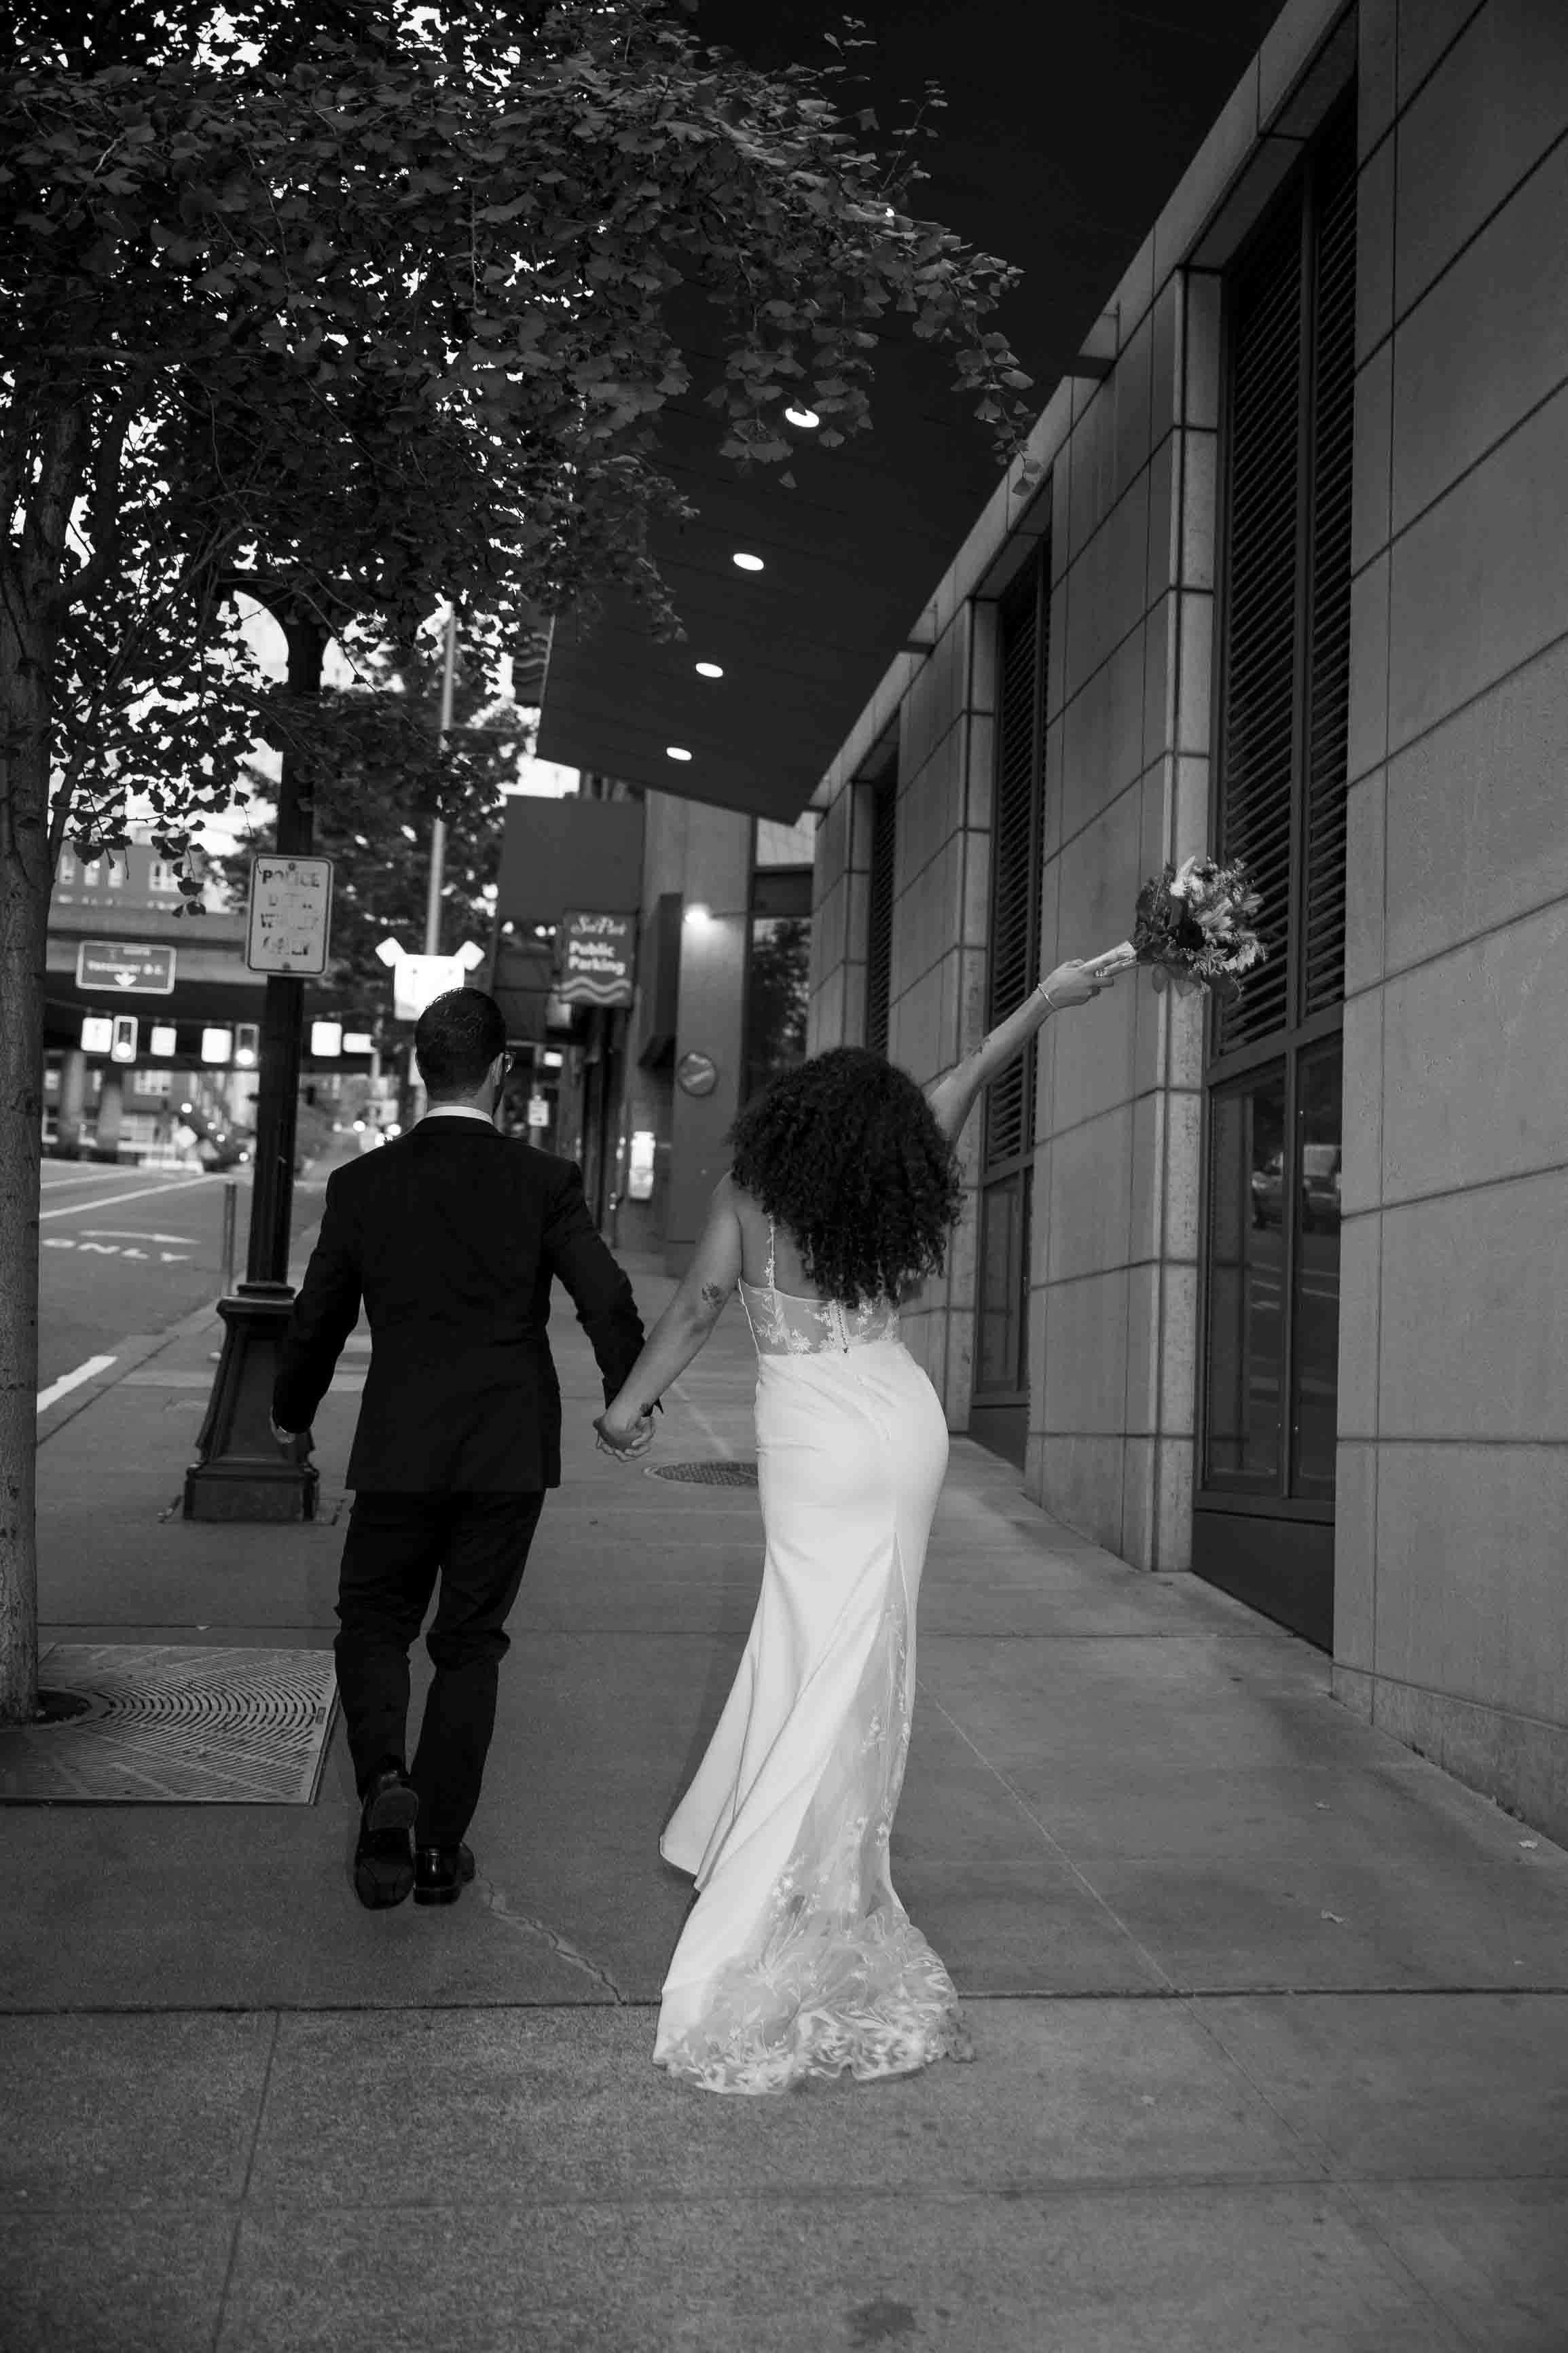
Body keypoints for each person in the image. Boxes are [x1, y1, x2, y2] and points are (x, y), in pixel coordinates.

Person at [594, 952, 1116, 2092]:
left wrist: (627, 1410)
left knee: (809, 1644)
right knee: (868, 1649)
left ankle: (776, 1870)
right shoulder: (888, 1178)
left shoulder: (750, 1198)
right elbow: (967, 1073)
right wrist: (1046, 998)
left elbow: (699, 1306)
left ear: (786, 1122)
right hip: (902, 1420)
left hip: (818, 1441)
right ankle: (809, 1859)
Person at [272, 988, 651, 1912]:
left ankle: (383, 1799)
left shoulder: (363, 1185)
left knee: (374, 1622)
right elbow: (605, 1297)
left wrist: (290, 1411)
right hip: (506, 1450)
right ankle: (440, 1852)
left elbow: (318, 1317)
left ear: (418, 1068)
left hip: (399, 1446)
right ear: (500, 1071)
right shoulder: (544, 1181)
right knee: (470, 1643)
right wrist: (629, 1397)